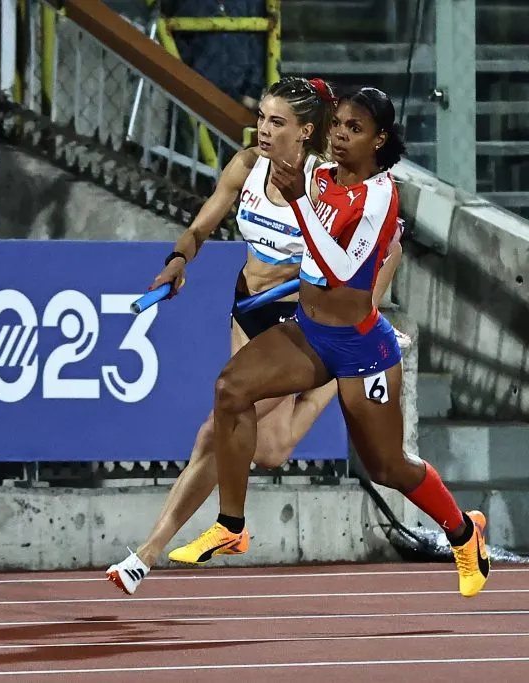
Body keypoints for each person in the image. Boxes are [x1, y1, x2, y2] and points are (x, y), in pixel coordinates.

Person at [168, 86, 490, 598]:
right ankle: (232, 526)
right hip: (309, 333)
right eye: (338, 124)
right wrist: (278, 133)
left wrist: (298, 201)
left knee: (388, 466)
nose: (340, 135)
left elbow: (342, 269)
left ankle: (463, 531)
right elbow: (287, 168)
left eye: (354, 129)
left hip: (361, 347)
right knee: (231, 389)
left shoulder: (380, 197)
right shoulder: (320, 174)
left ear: (379, 139)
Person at [106, 76, 406, 596]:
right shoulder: (246, 167)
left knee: (213, 429)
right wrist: (179, 260)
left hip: (298, 324)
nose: (262, 131)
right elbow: (200, 227)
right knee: (264, 451)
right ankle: (334, 381)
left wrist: (364, 312)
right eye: (261, 118)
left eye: (276, 122)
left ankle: (146, 554)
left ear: (304, 131)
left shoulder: (323, 184)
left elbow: (391, 246)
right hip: (247, 309)